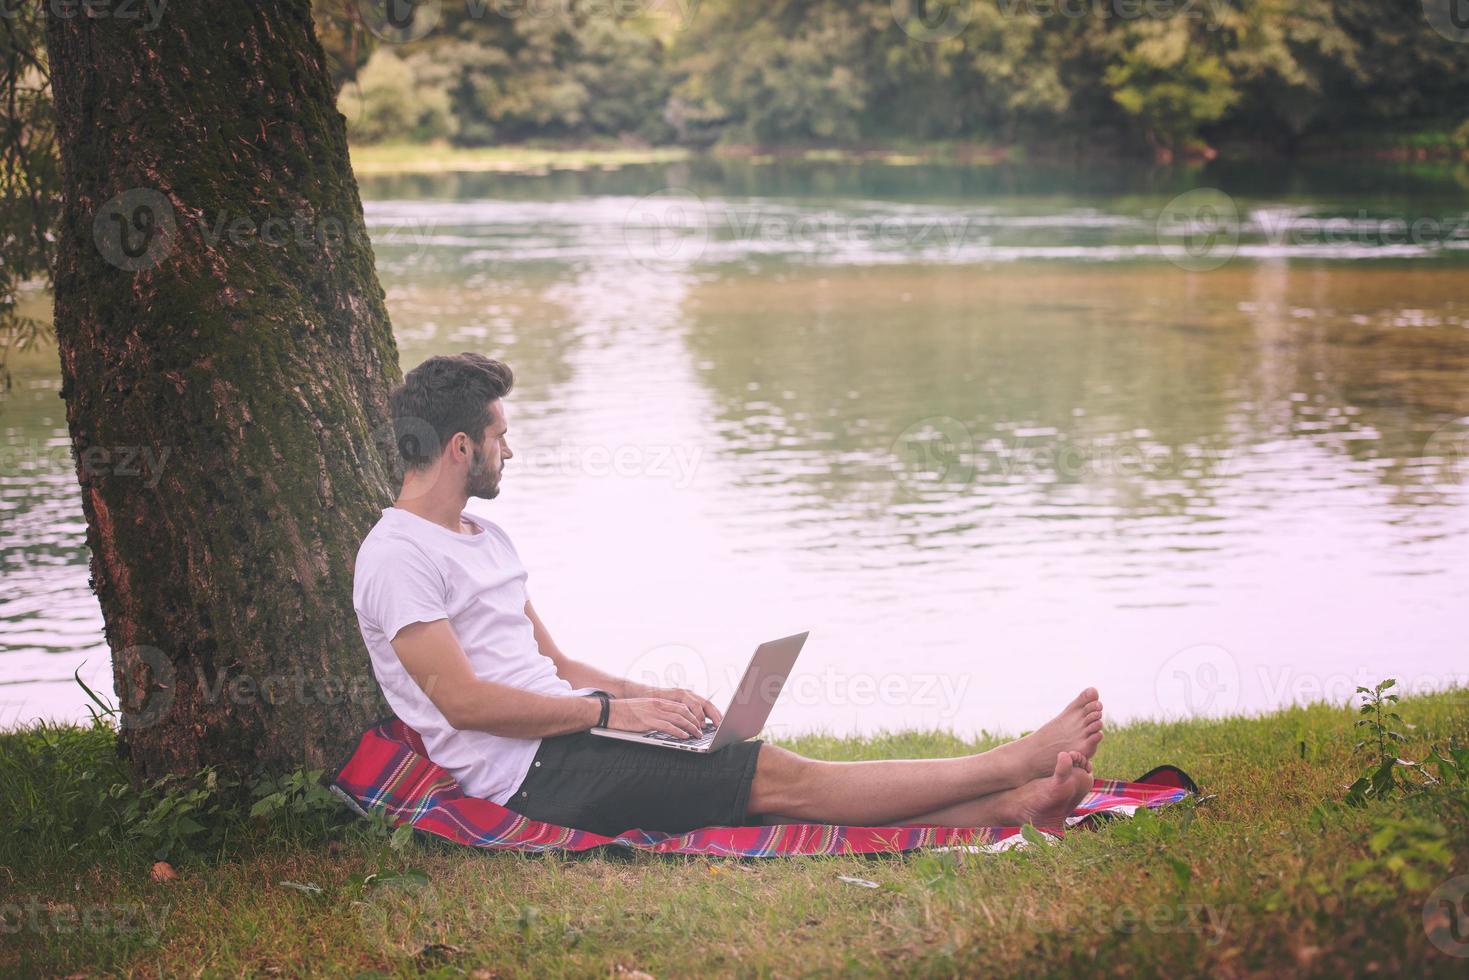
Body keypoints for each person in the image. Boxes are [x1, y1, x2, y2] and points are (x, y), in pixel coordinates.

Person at [353, 353, 1104, 838]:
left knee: (759, 775)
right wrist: (613, 715)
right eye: (497, 436)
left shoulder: (485, 539)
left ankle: (1009, 809)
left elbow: (550, 661)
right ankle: (1010, 765)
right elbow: (467, 705)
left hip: (578, 734)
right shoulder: (398, 557)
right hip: (531, 772)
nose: (507, 450)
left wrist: (653, 698)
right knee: (779, 777)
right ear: (459, 447)